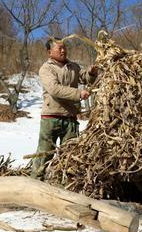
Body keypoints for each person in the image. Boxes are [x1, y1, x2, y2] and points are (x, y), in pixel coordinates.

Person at [30, 37, 98, 178]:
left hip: (70, 118)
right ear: (49, 52)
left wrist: (91, 73)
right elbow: (54, 89)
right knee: (44, 154)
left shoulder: (73, 66)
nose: (63, 50)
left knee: (70, 156)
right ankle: (35, 181)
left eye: (64, 47)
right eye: (59, 48)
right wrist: (78, 93)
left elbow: (84, 78)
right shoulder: (46, 68)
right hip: (51, 117)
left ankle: (65, 184)